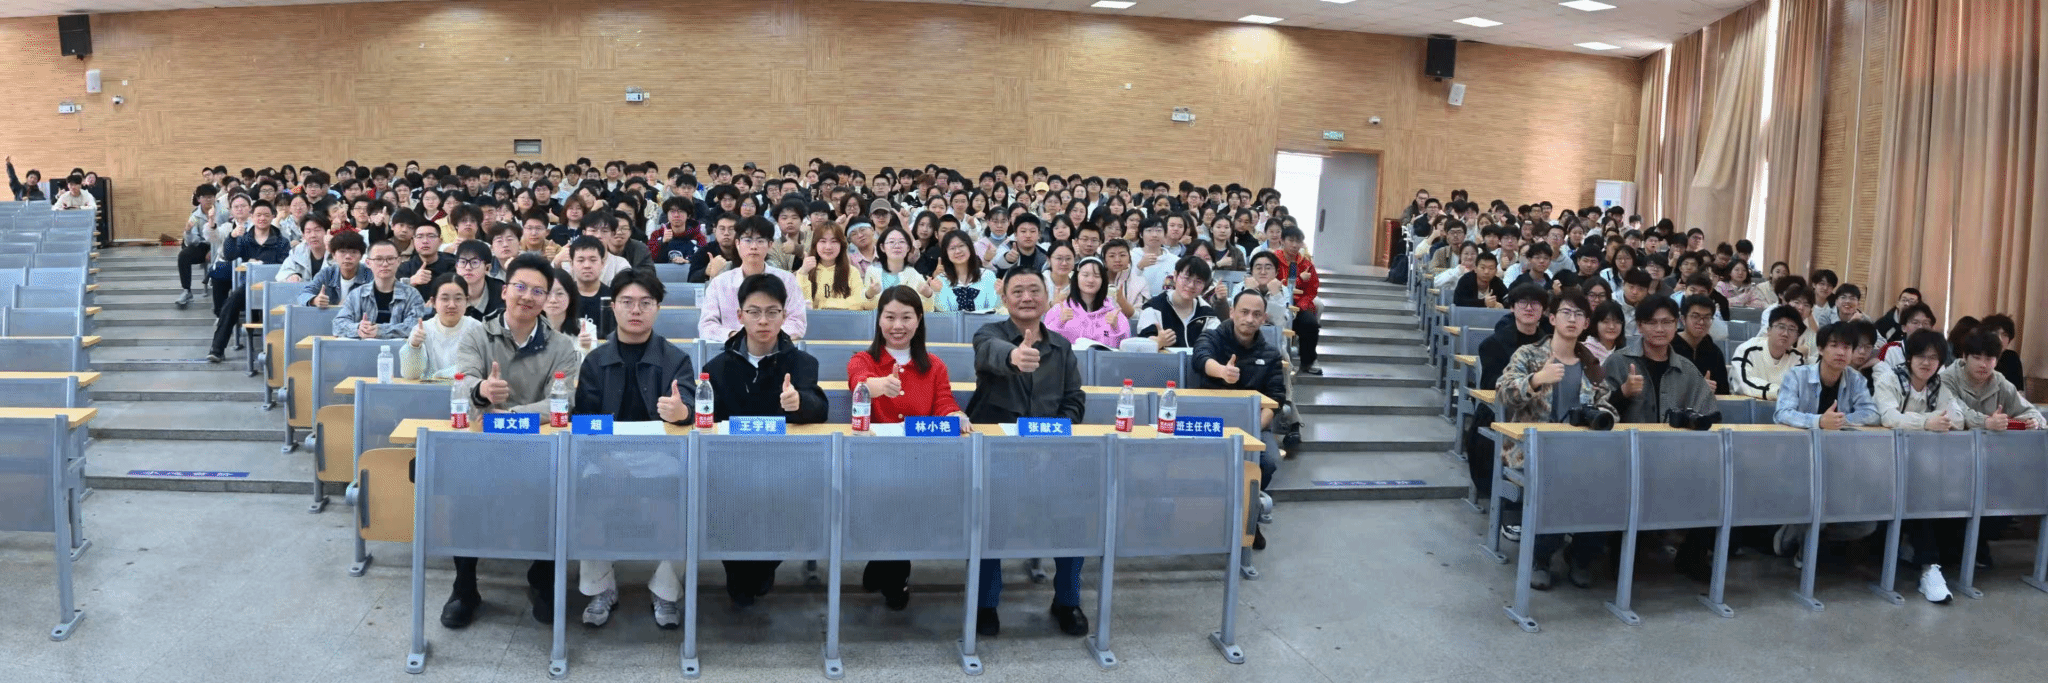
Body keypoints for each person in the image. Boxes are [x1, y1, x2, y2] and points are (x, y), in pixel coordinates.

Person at [441, 253, 586, 629]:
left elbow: (563, 401)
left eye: (539, 291)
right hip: (483, 448)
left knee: (559, 490)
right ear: (504, 291)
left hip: (538, 451)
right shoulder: (477, 333)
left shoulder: (561, 346)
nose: (528, 296)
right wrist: (482, 390)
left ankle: (542, 578)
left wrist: (510, 415)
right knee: (463, 491)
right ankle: (465, 587)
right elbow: (462, 382)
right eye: (520, 286)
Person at [965, 267, 1089, 637]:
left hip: (1050, 454)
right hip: (998, 456)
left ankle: (1067, 600)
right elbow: (990, 354)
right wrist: (1015, 357)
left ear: (1048, 298)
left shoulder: (1061, 347)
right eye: (1017, 291)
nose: (1026, 297)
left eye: (1034, 290)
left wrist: (1056, 436)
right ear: (1004, 299)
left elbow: (1074, 399)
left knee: (1074, 515)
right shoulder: (988, 334)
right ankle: (986, 602)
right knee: (992, 518)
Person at [571, 269, 696, 629]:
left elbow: (692, 408)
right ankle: (601, 587)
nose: (636, 310)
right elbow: (584, 422)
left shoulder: (676, 359)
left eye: (645, 303)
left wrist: (682, 412)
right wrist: (605, 459)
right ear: (613, 307)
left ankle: (666, 590)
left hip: (662, 455)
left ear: (658, 308)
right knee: (583, 489)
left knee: (687, 493)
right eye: (627, 302)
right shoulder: (595, 360)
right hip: (605, 454)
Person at [701, 273, 828, 606]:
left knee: (773, 543)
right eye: (754, 312)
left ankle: (763, 566)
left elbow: (820, 408)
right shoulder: (717, 367)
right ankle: (740, 571)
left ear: (784, 315)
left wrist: (800, 403)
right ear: (739, 315)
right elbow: (708, 422)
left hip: (785, 472)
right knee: (741, 579)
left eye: (772, 312)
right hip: (730, 475)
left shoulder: (802, 363)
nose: (763, 320)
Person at [845, 285, 971, 611]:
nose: (897, 325)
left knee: (905, 506)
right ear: (879, 320)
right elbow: (859, 383)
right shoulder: (863, 360)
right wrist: (878, 385)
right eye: (890, 317)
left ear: (919, 321)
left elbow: (943, 403)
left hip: (918, 460)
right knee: (889, 504)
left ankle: (887, 571)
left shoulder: (935, 366)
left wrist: (955, 415)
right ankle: (891, 574)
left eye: (906, 317)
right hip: (873, 460)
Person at [1496, 290, 1614, 590]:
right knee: (1556, 479)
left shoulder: (1591, 364)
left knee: (1609, 485)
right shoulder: (1529, 354)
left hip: (1581, 453)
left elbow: (1607, 406)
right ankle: (1541, 557)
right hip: (1532, 451)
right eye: (1566, 312)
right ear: (1552, 319)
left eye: (1579, 315)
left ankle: (1581, 556)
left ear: (1586, 323)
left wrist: (1601, 414)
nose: (1572, 319)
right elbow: (1504, 393)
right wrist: (1536, 379)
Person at [1871, 329, 1967, 602]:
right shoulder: (1890, 379)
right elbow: (1889, 417)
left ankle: (1928, 563)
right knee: (1918, 494)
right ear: (1910, 357)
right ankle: (1928, 567)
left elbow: (1957, 419)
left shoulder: (1940, 386)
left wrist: (1925, 420)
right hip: (1882, 464)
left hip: (1924, 466)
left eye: (1933, 358)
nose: (1927, 363)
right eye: (1921, 356)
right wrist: (1927, 422)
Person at [1193, 288, 1290, 489]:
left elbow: (1275, 398)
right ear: (1232, 312)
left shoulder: (1271, 354)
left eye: (1256, 314)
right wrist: (1222, 371)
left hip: (1253, 423)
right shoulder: (1212, 337)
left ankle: (1249, 504)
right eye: (1244, 312)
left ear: (1263, 319)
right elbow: (1201, 358)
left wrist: (1252, 427)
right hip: (1212, 419)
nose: (1249, 319)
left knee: (1268, 462)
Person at [206, 199, 291, 363]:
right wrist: (232, 237)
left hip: (275, 288)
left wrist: (262, 265)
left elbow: (285, 265)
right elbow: (230, 255)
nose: (262, 218)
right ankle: (217, 349)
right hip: (250, 288)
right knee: (231, 302)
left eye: (266, 215)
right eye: (258, 215)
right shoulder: (244, 239)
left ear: (272, 216)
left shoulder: (282, 241)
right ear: (252, 216)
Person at [700, 216, 809, 341]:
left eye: (760, 241)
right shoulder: (720, 283)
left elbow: (797, 322)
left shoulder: (787, 280)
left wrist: (766, 337)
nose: (753, 246)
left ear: (770, 245)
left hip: (776, 348)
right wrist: (735, 336)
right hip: (733, 347)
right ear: (737, 243)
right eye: (747, 240)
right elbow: (706, 326)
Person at [1941, 330, 2046, 431]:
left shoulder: (1999, 382)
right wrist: (1985, 422)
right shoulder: (1947, 379)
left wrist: (2034, 421)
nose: (1983, 365)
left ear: (1996, 361)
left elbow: (2031, 411)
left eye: (1989, 359)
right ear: (1964, 357)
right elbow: (1957, 414)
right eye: (1977, 358)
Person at [332, 241, 424, 339]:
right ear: (368, 263)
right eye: (378, 259)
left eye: (390, 259)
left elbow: (415, 326)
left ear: (398, 261)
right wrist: (358, 328)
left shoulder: (412, 295)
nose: (385, 264)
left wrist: (380, 331)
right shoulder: (357, 294)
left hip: (398, 348)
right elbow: (337, 325)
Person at [400, 273, 483, 380]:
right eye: (445, 299)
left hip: (465, 388)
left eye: (458, 299)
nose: (452, 305)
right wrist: (414, 346)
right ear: (433, 302)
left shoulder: (476, 328)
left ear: (467, 301)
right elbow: (410, 376)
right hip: (430, 389)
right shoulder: (422, 330)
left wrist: (439, 375)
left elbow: (477, 369)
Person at [1044, 257, 1131, 349]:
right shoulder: (1059, 310)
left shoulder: (1114, 314)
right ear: (1076, 278)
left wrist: (1116, 328)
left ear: (1103, 280)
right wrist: (1059, 323)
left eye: (1096, 276)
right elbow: (1046, 344)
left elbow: (1124, 350)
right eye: (1085, 275)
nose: (1091, 280)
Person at [1134, 257, 1218, 352]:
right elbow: (1141, 348)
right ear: (1175, 276)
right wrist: (1158, 342)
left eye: (1198, 282)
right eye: (1186, 278)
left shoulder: (1206, 313)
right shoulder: (1154, 307)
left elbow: (1217, 344)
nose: (1191, 285)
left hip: (1197, 361)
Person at [1273, 226, 1322, 374]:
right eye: (1291, 240)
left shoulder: (1306, 264)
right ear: (1282, 241)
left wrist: (1303, 304)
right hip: (1276, 303)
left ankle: (1308, 362)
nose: (1294, 245)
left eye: (1298, 241)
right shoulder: (1273, 260)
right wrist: (1299, 279)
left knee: (1311, 324)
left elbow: (1312, 288)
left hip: (1299, 305)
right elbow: (1275, 284)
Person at [798, 222, 875, 310]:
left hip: (844, 318)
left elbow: (859, 303)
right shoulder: (805, 271)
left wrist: (826, 305)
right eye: (823, 241)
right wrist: (803, 274)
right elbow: (802, 305)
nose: (828, 247)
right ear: (815, 244)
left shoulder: (851, 272)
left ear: (841, 245)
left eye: (834, 241)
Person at [1672, 294, 1730, 393]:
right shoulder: (1669, 347)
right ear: (1683, 319)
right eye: (1695, 316)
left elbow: (1724, 392)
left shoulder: (1715, 352)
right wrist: (1696, 388)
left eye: (1707, 317)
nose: (1701, 322)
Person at [932, 229, 1001, 313]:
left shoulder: (987, 276)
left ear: (970, 248)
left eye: (961, 246)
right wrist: (936, 293)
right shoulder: (941, 279)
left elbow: (995, 310)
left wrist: (999, 293)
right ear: (946, 253)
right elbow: (942, 315)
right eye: (952, 248)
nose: (958, 251)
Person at [176, 184, 221, 307]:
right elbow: (193, 241)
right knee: (183, 255)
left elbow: (226, 231)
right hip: (203, 244)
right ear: (199, 199)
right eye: (204, 197)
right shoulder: (195, 216)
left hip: (220, 244)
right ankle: (187, 290)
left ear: (215, 198)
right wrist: (188, 232)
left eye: (211, 197)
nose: (208, 200)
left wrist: (215, 250)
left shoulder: (222, 211)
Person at [452, 240, 505, 322]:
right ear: (456, 266)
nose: (468, 267)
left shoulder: (501, 293)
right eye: (463, 262)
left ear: (487, 268)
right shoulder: (447, 290)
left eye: (474, 262)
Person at [1977, 314, 2027, 389]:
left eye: (2005, 335)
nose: (2000, 339)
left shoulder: (2012, 357)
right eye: (1995, 333)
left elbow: (2018, 390)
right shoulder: (1976, 357)